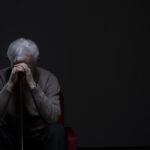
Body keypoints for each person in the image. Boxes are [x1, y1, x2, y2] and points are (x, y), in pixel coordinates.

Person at [0, 38, 66, 150]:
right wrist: (10, 85)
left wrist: (33, 86)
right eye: (16, 65)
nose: (22, 70)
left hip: (40, 137)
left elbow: (53, 117)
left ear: (37, 60)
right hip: (10, 135)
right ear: (9, 60)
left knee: (57, 130)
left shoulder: (49, 79)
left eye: (28, 66)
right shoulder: (1, 77)